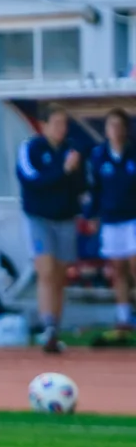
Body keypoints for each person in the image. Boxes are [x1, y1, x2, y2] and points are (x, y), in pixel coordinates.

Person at [16, 107, 86, 353]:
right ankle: (47, 328)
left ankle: (55, 328)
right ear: (43, 125)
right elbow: (33, 180)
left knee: (60, 275)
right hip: (39, 219)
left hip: (65, 219)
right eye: (56, 123)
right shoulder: (31, 148)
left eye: (64, 124)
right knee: (45, 270)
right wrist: (63, 171)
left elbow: (80, 186)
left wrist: (73, 172)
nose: (60, 129)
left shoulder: (72, 150)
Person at [88, 108, 136, 330]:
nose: (116, 130)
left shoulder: (133, 152)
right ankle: (124, 316)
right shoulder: (98, 156)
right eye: (111, 126)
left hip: (133, 218)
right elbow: (95, 189)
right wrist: (91, 215)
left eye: (119, 125)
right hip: (110, 220)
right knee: (118, 269)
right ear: (106, 130)